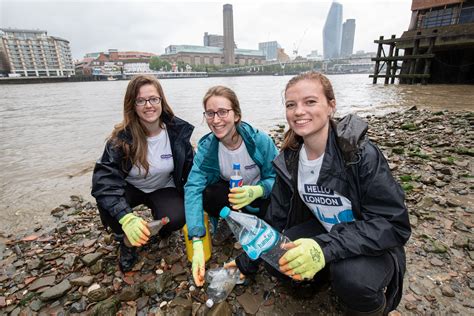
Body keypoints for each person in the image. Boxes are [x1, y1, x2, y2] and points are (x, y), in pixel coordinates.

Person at [232, 72, 411, 315]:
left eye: (310, 102)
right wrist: (246, 262)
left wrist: (323, 249)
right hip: (327, 233)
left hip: (373, 244)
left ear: (331, 106)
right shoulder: (289, 160)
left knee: (351, 278)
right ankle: (319, 279)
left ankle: (372, 308)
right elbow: (276, 219)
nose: (298, 111)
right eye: (291, 105)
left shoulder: (359, 155)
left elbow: (394, 224)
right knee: (277, 258)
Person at [91, 75, 194, 272]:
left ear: (161, 101)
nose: (148, 105)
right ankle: (127, 242)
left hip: (163, 186)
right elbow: (103, 183)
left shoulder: (177, 134)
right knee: (108, 206)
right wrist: (126, 217)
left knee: (178, 216)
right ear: (133, 105)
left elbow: (192, 173)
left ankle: (162, 227)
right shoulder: (120, 140)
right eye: (141, 100)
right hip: (132, 188)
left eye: (154, 99)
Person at [184, 85, 278, 286]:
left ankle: (254, 226)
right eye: (210, 113)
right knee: (208, 193)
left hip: (260, 200)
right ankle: (228, 222)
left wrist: (258, 190)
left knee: (275, 223)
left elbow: (278, 178)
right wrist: (197, 239)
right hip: (232, 199)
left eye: (223, 112)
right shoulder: (208, 147)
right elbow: (193, 187)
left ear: (236, 115)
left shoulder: (259, 140)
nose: (216, 120)